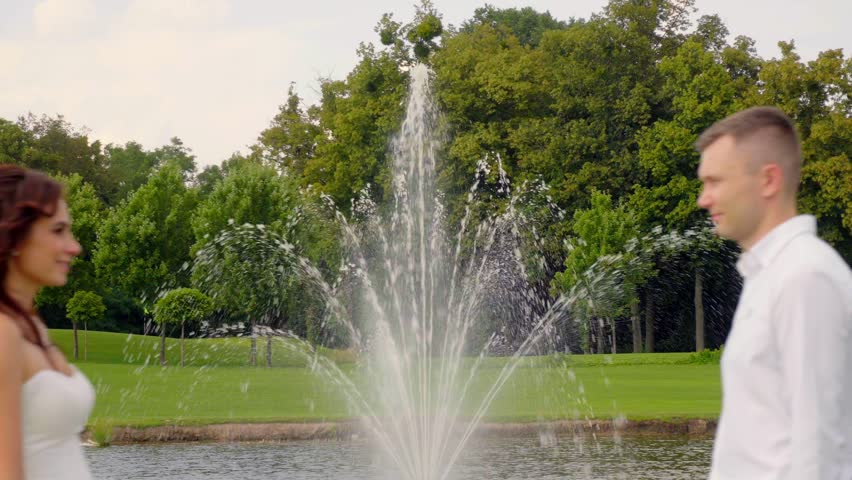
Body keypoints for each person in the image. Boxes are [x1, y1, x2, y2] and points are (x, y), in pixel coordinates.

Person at [695, 106, 852, 479]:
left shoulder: (805, 277)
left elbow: (820, 448)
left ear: (768, 180)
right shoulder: (770, 275)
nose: (704, 199)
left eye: (715, 181)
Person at [0, 165, 94, 480]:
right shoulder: (3, 333)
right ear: (13, 235)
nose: (74, 247)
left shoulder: (31, 324)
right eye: (58, 231)